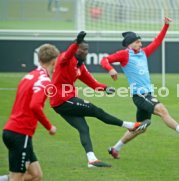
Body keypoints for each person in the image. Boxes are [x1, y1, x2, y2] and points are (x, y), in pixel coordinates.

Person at [50, 31, 150, 168]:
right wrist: (76, 43)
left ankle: (92, 160)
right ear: (76, 48)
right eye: (83, 49)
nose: (85, 52)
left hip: (63, 102)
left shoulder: (80, 66)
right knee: (95, 110)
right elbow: (67, 55)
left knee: (84, 129)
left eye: (87, 50)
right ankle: (130, 125)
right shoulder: (64, 59)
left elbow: (92, 83)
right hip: (62, 99)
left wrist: (105, 88)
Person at [100, 17, 179, 159]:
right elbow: (104, 60)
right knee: (162, 110)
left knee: (139, 128)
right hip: (141, 96)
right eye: (137, 41)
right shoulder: (125, 54)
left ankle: (115, 148)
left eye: (140, 41)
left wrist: (166, 26)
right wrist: (110, 69)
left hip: (145, 95)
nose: (140, 43)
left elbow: (157, 41)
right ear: (129, 45)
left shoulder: (143, 53)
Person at [1, 44, 59, 181]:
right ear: (54, 61)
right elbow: (34, 106)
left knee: (35, 175)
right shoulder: (44, 81)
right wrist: (49, 127)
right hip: (20, 133)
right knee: (17, 177)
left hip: (13, 130)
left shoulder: (28, 76)